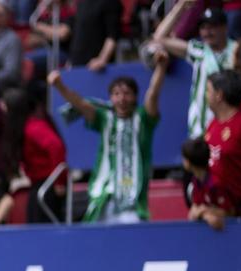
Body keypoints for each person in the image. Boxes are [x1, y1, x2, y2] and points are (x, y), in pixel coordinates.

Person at [48, 53, 166, 223]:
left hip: (131, 201)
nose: (122, 99)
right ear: (111, 98)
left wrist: (161, 68)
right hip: (103, 197)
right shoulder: (105, 118)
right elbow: (80, 104)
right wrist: (59, 86)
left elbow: (153, 94)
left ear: (135, 98)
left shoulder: (144, 119)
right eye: (116, 94)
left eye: (127, 94)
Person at [154, 3, 237, 138]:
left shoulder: (237, 51)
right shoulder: (199, 50)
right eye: (203, 27)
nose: (207, 32)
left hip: (231, 131)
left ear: (225, 27)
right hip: (200, 131)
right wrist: (180, 7)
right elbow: (160, 38)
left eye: (212, 27)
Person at [2, 88, 67, 224]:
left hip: (48, 186)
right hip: (37, 185)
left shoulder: (33, 127)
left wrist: (59, 182)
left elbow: (56, 146)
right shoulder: (24, 128)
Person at [204, 69, 241, 217]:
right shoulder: (212, 125)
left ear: (219, 95)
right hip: (220, 210)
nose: (206, 96)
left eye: (208, 90)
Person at [183, 138, 230, 229]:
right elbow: (195, 209)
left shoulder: (216, 183)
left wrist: (203, 211)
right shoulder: (196, 181)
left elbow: (229, 212)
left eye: (184, 158)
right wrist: (205, 214)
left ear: (189, 162)